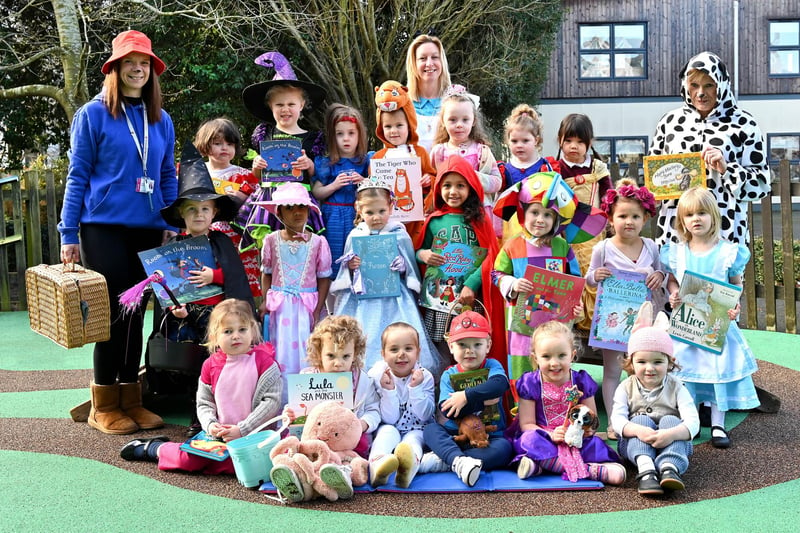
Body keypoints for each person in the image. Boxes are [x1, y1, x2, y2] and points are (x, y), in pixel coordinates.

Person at [58, 30, 176, 435]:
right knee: (111, 313)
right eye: (130, 63)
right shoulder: (92, 115)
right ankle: (103, 401)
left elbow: (165, 177)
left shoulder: (161, 119)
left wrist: (171, 224)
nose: (138, 69)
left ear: (151, 70)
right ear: (115, 68)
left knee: (135, 313)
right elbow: (78, 176)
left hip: (147, 229)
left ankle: (130, 398)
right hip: (102, 227)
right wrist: (67, 232)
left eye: (144, 63)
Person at [157, 141, 255, 435]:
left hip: (219, 317)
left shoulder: (221, 243)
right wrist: (175, 309)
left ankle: (225, 414)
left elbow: (236, 278)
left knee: (221, 366)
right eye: (192, 210)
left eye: (204, 209)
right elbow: (165, 287)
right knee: (195, 370)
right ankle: (197, 416)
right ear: (182, 215)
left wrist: (216, 275)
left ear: (214, 213)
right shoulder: (173, 247)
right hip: (189, 319)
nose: (199, 215)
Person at [119, 299, 282, 475]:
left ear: (253, 330)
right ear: (214, 336)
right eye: (228, 331)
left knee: (247, 465)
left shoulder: (265, 363)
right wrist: (211, 425)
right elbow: (204, 403)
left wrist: (243, 429)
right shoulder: (210, 365)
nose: (236, 336)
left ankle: (214, 462)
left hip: (254, 437)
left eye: (242, 330)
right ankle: (155, 448)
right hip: (220, 438)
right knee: (189, 459)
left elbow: (271, 402)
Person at [660, 187, 760, 448]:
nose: (696, 219)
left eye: (702, 213)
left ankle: (718, 425)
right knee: (687, 373)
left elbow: (735, 285)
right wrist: (673, 294)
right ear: (682, 221)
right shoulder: (677, 252)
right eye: (690, 214)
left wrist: (734, 305)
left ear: (713, 216)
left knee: (717, 373)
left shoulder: (728, 252)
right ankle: (691, 422)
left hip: (717, 326)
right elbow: (672, 281)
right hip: (687, 325)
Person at [492, 172, 607, 380]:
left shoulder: (561, 246)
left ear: (556, 220)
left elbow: (574, 280)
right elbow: (497, 273)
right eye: (534, 212)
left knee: (553, 366)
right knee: (522, 367)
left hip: (554, 323)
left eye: (547, 215)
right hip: (521, 323)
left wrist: (576, 306)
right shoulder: (512, 246)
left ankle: (554, 405)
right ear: (523, 213)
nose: (540, 220)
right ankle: (521, 407)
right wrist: (512, 283)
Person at [650, 51, 770, 247]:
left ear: (721, 86)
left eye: (709, 85)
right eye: (694, 85)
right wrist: (651, 195)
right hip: (677, 230)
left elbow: (761, 186)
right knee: (675, 278)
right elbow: (653, 178)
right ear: (685, 86)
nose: (700, 93)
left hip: (725, 228)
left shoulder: (743, 123)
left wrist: (727, 168)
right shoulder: (669, 122)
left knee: (721, 277)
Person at [331, 178, 441, 374]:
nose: (376, 217)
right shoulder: (355, 235)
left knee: (397, 333)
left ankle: (402, 374)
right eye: (369, 212)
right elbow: (345, 270)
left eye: (381, 211)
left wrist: (403, 266)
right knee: (366, 333)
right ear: (359, 210)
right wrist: (351, 266)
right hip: (364, 299)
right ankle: (366, 375)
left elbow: (411, 267)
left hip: (395, 298)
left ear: (391, 207)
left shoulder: (398, 233)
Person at [585, 179, 665, 439]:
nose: (628, 221)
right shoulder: (603, 247)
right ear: (610, 218)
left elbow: (661, 273)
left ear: (645, 218)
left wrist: (659, 276)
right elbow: (588, 277)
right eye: (622, 216)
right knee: (612, 371)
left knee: (644, 368)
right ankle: (614, 421)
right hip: (613, 322)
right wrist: (596, 275)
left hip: (645, 321)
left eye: (635, 216)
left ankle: (645, 416)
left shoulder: (652, 247)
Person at [507, 321, 626, 485]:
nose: (554, 363)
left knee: (596, 444)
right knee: (529, 440)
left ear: (572, 355)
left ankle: (541, 466)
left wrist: (582, 432)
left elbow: (592, 421)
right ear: (536, 358)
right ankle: (590, 470)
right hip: (545, 438)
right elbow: (527, 424)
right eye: (546, 356)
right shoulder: (530, 383)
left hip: (576, 440)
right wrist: (551, 434)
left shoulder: (581, 381)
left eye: (561, 355)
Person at [415, 155, 505, 366]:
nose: (453, 191)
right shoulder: (434, 220)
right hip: (439, 301)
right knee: (442, 348)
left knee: (470, 343)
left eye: (460, 185)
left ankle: (471, 387)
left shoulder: (479, 220)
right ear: (438, 187)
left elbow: (491, 255)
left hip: (468, 299)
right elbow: (419, 250)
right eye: (447, 185)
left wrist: (471, 285)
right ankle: (445, 388)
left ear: (471, 187)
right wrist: (423, 255)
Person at [239, 51, 327, 249]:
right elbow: (258, 176)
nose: (285, 109)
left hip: (300, 201)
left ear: (302, 105)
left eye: (291, 104)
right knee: (269, 249)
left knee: (300, 247)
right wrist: (257, 166)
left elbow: (317, 176)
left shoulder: (312, 138)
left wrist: (310, 166)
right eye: (279, 104)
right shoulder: (264, 134)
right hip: (270, 199)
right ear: (270, 106)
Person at [611, 301, 699, 496]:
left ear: (669, 362)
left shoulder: (677, 386)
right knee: (639, 419)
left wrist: (672, 434)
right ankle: (646, 470)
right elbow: (617, 420)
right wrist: (638, 430)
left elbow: (693, 422)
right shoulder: (626, 387)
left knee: (671, 420)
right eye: (642, 361)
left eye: (658, 361)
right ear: (631, 362)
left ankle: (669, 468)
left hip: (671, 440)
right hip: (638, 444)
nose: (649, 368)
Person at [419, 311, 513, 487]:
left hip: (489, 437)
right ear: (451, 346)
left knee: (505, 450)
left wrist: (465, 396)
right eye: (462, 345)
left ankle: (448, 461)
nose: (470, 351)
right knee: (430, 430)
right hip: (455, 435)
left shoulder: (492, 366)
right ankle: (458, 460)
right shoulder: (449, 374)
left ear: (488, 345)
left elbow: (500, 384)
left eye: (477, 344)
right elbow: (448, 410)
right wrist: (482, 401)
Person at [258, 182, 332, 403]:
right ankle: (280, 403)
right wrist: (265, 301)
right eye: (290, 207)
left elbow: (324, 277)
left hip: (305, 306)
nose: (297, 212)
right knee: (280, 351)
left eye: (302, 207)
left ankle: (307, 403)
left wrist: (318, 308)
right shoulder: (271, 240)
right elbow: (267, 273)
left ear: (309, 210)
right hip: (280, 307)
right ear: (279, 212)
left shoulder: (318, 242)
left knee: (306, 350)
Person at [554, 113, 613, 334]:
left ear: (589, 143)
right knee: (568, 273)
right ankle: (570, 323)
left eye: (580, 142)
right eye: (568, 141)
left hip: (592, 233)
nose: (573, 147)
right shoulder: (555, 168)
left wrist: (611, 220)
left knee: (592, 271)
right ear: (560, 140)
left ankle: (593, 325)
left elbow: (609, 197)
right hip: (563, 234)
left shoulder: (597, 168)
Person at [194, 117, 262, 298]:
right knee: (204, 281)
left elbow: (252, 209)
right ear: (205, 145)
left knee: (236, 284)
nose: (224, 148)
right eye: (217, 143)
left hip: (236, 238)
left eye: (230, 144)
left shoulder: (244, 175)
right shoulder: (196, 172)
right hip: (201, 234)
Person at [296, 315, 381, 450]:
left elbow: (373, 410)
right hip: (315, 439)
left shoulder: (362, 381)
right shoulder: (308, 378)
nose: (338, 363)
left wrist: (362, 424)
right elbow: (296, 412)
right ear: (319, 353)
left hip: (347, 442)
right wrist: (289, 415)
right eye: (331, 356)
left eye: (346, 356)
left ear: (355, 354)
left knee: (360, 447)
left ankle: (347, 468)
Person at [367, 322, 436, 488]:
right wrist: (389, 391)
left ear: (418, 352)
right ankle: (377, 466)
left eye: (408, 349)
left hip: (416, 426)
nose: (401, 354)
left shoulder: (425, 377)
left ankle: (408, 468)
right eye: (394, 349)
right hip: (389, 424)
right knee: (386, 433)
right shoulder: (377, 375)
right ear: (383, 354)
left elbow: (424, 415)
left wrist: (415, 388)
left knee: (413, 441)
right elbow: (389, 419)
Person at [429, 85, 502, 236]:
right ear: (442, 121)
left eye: (465, 119)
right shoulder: (439, 152)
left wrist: (474, 177)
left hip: (478, 215)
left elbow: (497, 182)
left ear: (474, 120)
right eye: (452, 120)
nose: (459, 125)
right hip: (450, 215)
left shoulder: (482, 152)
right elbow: (432, 181)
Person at [311, 104, 372, 280]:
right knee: (334, 256)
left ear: (360, 134)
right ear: (333, 136)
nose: (346, 139)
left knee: (358, 257)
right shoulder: (327, 163)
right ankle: (333, 300)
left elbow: (378, 190)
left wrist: (364, 182)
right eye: (340, 134)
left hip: (358, 216)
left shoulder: (366, 161)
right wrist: (334, 185)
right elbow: (317, 193)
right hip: (332, 216)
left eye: (351, 133)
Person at [372, 80, 438, 240]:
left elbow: (434, 177)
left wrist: (429, 180)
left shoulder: (420, 153)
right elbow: (373, 188)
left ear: (410, 125)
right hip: (386, 223)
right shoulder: (378, 158)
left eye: (399, 125)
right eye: (387, 127)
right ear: (381, 128)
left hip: (415, 221)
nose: (393, 131)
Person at [405, 34, 453, 152]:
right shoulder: (402, 104)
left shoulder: (456, 102)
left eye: (435, 57)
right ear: (414, 64)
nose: (429, 63)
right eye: (423, 58)